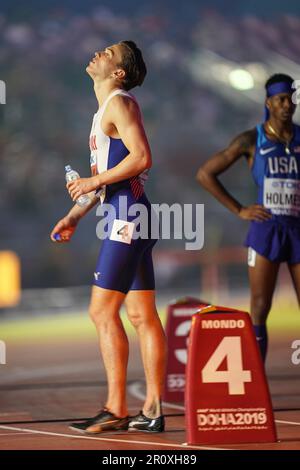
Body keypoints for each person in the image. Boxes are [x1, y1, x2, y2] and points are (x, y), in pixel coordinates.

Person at [50, 41, 166, 433]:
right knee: (140, 314)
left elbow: (141, 157)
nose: (99, 53)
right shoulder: (105, 111)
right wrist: (74, 215)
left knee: (102, 311)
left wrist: (93, 180)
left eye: (109, 53)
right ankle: (151, 410)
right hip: (129, 212)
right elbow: (106, 179)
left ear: (118, 72)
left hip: (128, 215)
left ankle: (116, 408)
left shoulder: (121, 103)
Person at [196, 74, 300, 363]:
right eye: (280, 99)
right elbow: (205, 174)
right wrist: (239, 209)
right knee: (260, 306)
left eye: (291, 98)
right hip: (266, 228)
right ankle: (256, 380)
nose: (287, 105)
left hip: (297, 230)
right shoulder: (251, 139)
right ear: (268, 102)